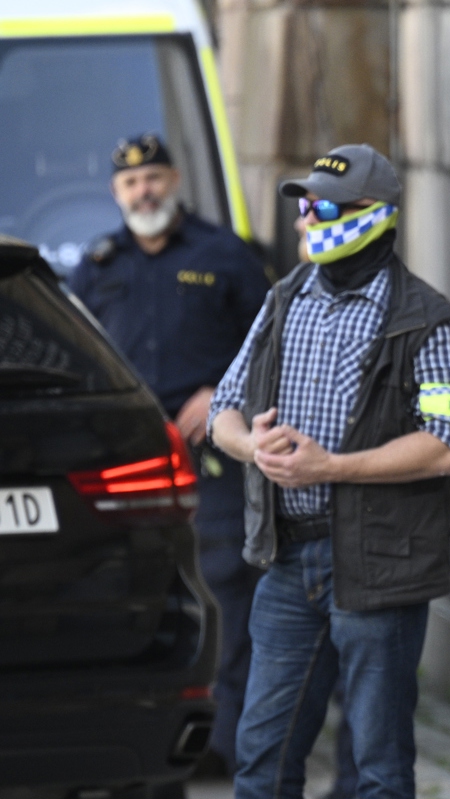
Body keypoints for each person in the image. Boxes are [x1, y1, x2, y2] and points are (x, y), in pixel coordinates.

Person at [207, 143, 450, 799]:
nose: (304, 219)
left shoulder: (429, 320)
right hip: (287, 559)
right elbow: (222, 410)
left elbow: (446, 444)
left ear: (375, 214)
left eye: (321, 207)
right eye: (302, 205)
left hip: (379, 562)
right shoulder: (282, 300)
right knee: (260, 758)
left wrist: (332, 466)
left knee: (379, 767)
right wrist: (253, 448)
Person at [67, 133, 271, 776]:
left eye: (153, 178)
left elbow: (269, 344)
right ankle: (133, 738)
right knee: (128, 596)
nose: (143, 191)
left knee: (225, 596)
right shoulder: (96, 266)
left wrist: (220, 393)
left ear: (175, 180)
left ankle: (227, 743)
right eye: (130, 183)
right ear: (115, 193)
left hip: (212, 459)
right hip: (125, 465)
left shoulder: (224, 254)